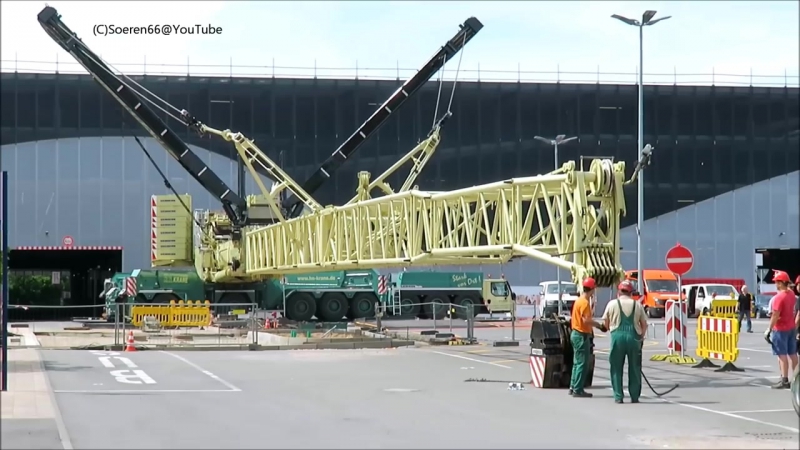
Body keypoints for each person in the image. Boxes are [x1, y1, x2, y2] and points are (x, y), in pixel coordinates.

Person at [603, 280, 649, 404]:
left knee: (616, 367)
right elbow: (644, 324)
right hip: (634, 338)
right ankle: (634, 396)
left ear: (619, 291)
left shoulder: (612, 304)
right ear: (631, 292)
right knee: (635, 367)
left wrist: (610, 328)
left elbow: (605, 323)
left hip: (617, 337)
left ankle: (618, 396)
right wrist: (641, 337)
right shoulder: (637, 305)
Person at [569, 277, 606, 398]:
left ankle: (573, 386)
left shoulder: (579, 301)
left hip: (575, 333)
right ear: (592, 289)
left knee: (576, 362)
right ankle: (578, 389)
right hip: (581, 335)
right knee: (582, 363)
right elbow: (586, 320)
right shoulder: (584, 303)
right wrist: (599, 325)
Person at [764, 270, 799, 389]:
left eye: (776, 282)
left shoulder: (779, 297)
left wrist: (769, 329)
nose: (775, 284)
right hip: (791, 327)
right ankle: (796, 378)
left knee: (782, 354)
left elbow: (775, 315)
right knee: (793, 353)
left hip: (780, 328)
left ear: (780, 283)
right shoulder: (791, 295)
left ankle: (784, 379)